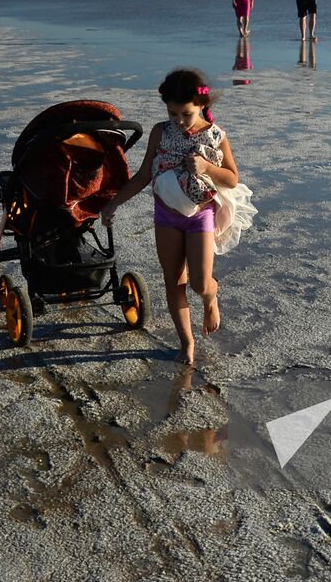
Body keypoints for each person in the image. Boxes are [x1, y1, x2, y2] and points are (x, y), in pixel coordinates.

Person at [102, 68, 256, 365]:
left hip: (199, 216)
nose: (179, 121)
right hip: (166, 216)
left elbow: (232, 179)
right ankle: (187, 344)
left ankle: (211, 296)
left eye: (185, 114)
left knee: (199, 283)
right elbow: (145, 174)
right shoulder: (161, 132)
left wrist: (208, 168)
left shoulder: (215, 135)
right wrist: (114, 203)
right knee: (174, 281)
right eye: (173, 113)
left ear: (201, 105)